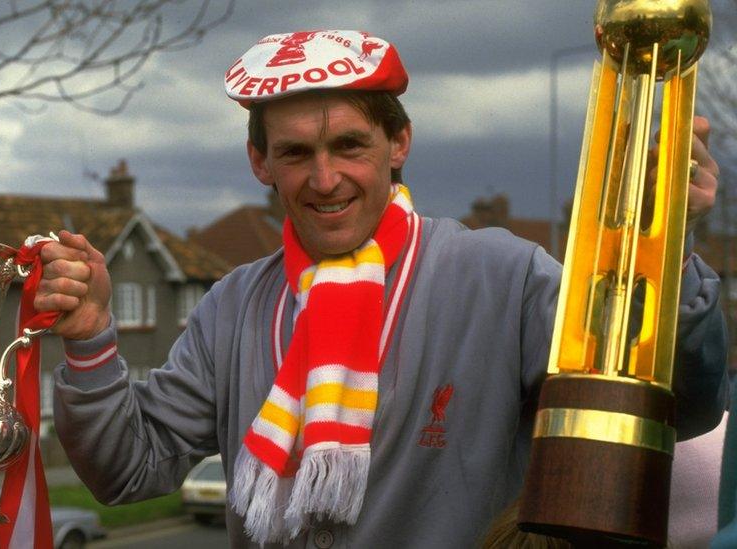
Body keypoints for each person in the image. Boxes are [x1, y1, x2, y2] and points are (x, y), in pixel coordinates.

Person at [40, 31, 727, 547]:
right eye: (295, 153)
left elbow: (679, 403)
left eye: (349, 145)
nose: (325, 177)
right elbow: (126, 472)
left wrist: (662, 228)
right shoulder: (232, 306)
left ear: (399, 142)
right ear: (260, 162)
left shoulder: (502, 276)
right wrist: (93, 337)